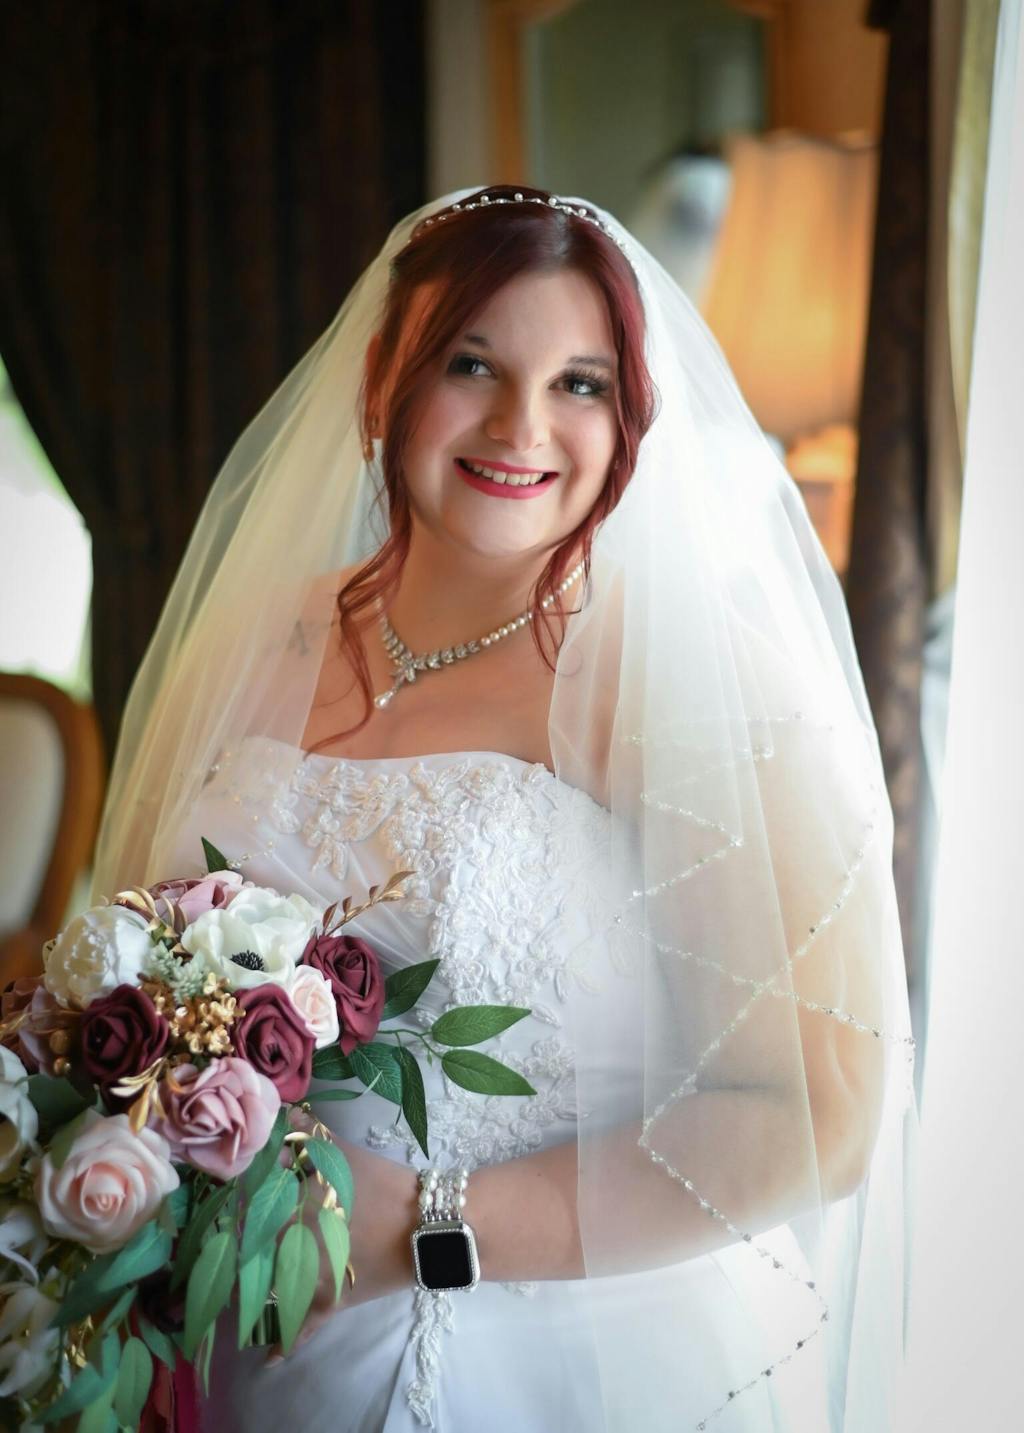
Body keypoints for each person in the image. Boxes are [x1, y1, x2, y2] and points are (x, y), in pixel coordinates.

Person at [90, 186, 917, 1432]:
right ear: (384, 376)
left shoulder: (689, 686)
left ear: (632, 413)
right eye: (470, 363)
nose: (521, 425)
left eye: (581, 383)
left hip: (555, 1365)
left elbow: (822, 1114)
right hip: (234, 1352)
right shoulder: (260, 633)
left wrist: (424, 1231)